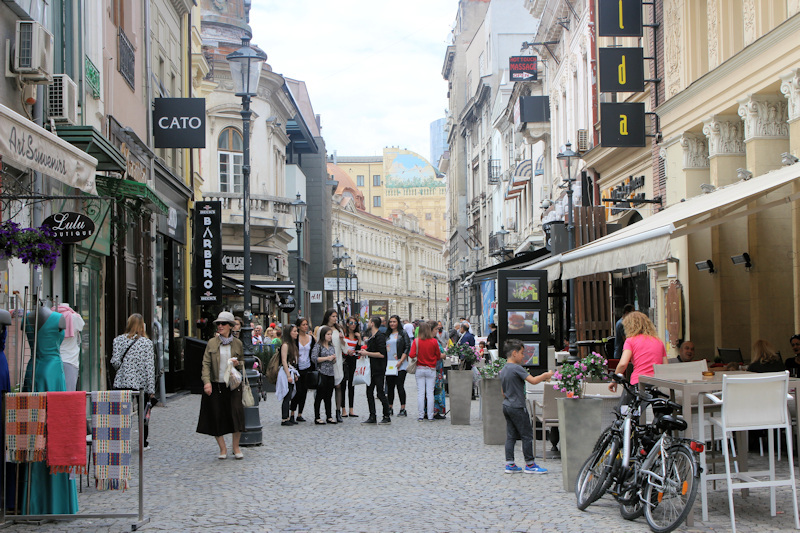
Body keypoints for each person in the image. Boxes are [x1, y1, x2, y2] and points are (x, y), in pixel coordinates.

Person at [500, 339, 554, 474]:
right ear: (514, 353)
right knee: (527, 435)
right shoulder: (517, 368)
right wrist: (546, 375)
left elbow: (502, 392)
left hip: (507, 405)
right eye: (522, 353)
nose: (523, 356)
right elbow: (534, 381)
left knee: (511, 435)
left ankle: (510, 463)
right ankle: (530, 464)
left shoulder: (504, 369)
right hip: (518, 406)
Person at [197, 311, 245, 460]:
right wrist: (206, 383)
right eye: (218, 323)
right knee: (216, 416)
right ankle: (222, 449)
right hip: (216, 384)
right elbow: (206, 364)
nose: (220, 326)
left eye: (223, 323)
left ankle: (236, 447)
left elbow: (243, 363)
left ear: (230, 326)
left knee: (236, 415)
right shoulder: (212, 343)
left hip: (233, 385)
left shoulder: (238, 343)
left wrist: (238, 363)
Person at [111, 313, 156, 449]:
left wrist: (123, 368)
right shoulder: (146, 343)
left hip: (122, 382)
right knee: (143, 414)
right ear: (142, 325)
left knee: (121, 414)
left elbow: (115, 361)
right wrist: (151, 389)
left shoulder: (118, 340)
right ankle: (143, 442)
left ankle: (121, 441)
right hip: (140, 384)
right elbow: (149, 367)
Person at [609, 311, 666, 396]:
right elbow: (665, 366)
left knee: (624, 407)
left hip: (639, 383)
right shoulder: (658, 341)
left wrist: (614, 380)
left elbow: (623, 364)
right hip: (658, 384)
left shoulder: (630, 341)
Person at [358, 316, 390, 424]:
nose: (367, 323)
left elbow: (381, 354)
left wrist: (367, 353)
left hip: (378, 369)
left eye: (369, 321)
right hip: (371, 369)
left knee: (380, 393)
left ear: (372, 323)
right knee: (369, 392)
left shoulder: (380, 336)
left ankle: (386, 415)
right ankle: (372, 416)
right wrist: (364, 352)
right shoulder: (372, 336)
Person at [410, 321, 443, 421]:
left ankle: (421, 415)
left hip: (420, 368)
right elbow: (438, 356)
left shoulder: (416, 341)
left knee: (421, 393)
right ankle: (430, 415)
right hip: (431, 369)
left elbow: (411, 355)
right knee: (430, 393)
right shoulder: (433, 341)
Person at [319, 309, 346, 422]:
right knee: (327, 388)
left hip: (338, 360)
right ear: (328, 317)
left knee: (338, 386)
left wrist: (342, 340)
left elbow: (344, 347)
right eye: (333, 316)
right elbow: (318, 344)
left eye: (336, 316)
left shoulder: (339, 330)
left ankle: (338, 411)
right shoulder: (322, 329)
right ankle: (328, 413)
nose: (335, 318)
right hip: (326, 361)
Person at [290, 317, 315, 423]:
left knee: (304, 391)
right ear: (299, 326)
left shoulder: (311, 338)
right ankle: (292, 413)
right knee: (297, 391)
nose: (305, 326)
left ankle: (300, 413)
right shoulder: (295, 338)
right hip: (297, 367)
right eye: (303, 325)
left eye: (306, 324)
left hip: (307, 367)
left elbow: (314, 351)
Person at [385, 315, 411, 417]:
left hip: (401, 363)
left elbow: (407, 347)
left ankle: (403, 408)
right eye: (391, 322)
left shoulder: (403, 333)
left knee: (400, 386)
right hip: (389, 364)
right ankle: (390, 407)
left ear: (398, 323)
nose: (392, 324)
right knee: (390, 386)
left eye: (394, 322)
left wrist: (401, 360)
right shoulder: (387, 334)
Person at [311, 326, 337, 424]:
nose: (330, 336)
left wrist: (333, 359)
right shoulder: (318, 345)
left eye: (331, 334)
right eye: (328, 334)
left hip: (331, 373)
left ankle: (329, 416)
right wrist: (327, 358)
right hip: (322, 372)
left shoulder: (331, 346)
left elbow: (333, 360)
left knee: (329, 396)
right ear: (323, 335)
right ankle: (317, 416)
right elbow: (314, 358)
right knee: (320, 395)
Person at [277, 325, 299, 426]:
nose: (296, 333)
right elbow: (284, 361)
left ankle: (287, 417)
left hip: (291, 371)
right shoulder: (285, 345)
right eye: (294, 331)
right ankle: (284, 418)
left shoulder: (292, 344)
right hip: (286, 372)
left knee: (290, 394)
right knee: (287, 395)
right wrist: (288, 375)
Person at [342, 316, 362, 417]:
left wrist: (359, 339)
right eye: (351, 323)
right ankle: (343, 409)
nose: (353, 325)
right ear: (347, 324)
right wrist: (346, 352)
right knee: (343, 386)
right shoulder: (343, 335)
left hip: (353, 361)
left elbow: (358, 350)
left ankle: (351, 409)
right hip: (344, 361)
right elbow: (341, 348)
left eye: (355, 323)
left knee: (351, 385)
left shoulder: (356, 335)